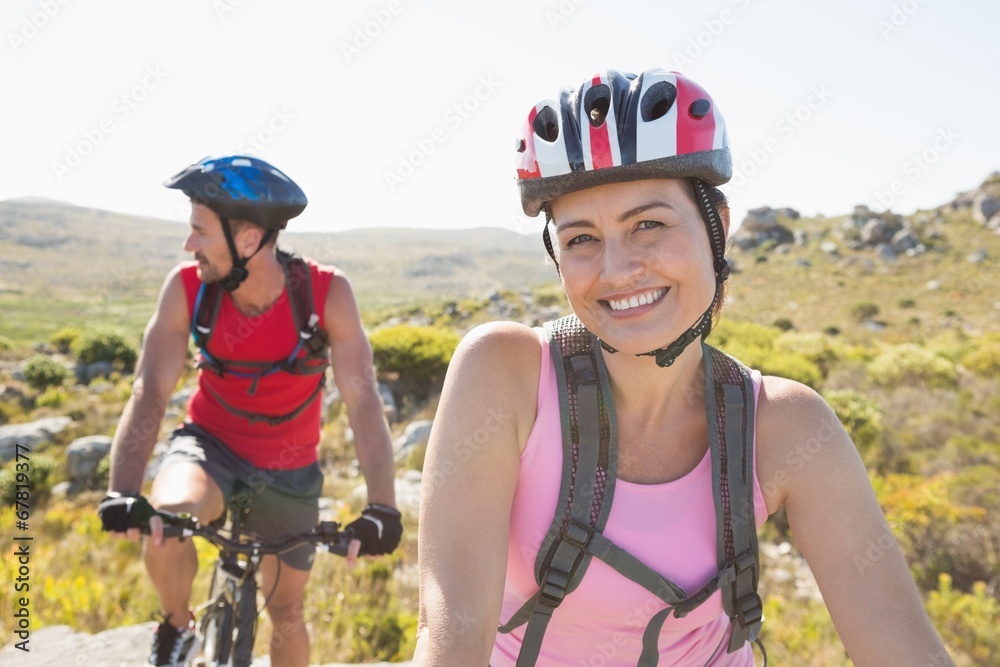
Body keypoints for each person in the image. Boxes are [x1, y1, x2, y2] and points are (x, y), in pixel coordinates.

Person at [415, 69, 953, 666]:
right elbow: (449, 642)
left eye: (649, 224)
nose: (617, 270)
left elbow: (905, 652)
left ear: (716, 228)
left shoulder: (787, 428)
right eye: (581, 239)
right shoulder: (504, 373)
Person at [97, 155, 402, 667]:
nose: (188, 245)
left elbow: (365, 406)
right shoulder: (187, 288)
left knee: (287, 611)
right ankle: (177, 627)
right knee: (166, 524)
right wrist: (123, 490)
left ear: (246, 240)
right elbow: (149, 391)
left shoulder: (326, 294)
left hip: (290, 469)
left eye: (199, 232)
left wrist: (383, 508)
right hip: (208, 449)